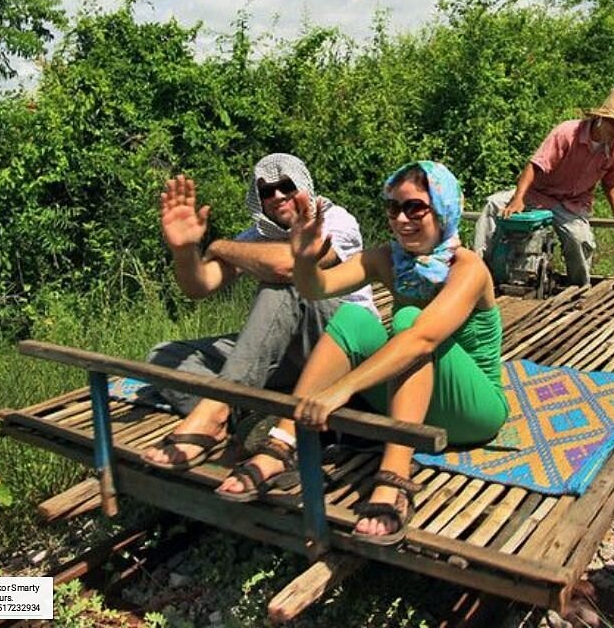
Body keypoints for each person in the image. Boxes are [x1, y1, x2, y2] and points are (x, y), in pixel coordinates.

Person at [217, 161, 508, 546]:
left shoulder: (467, 268)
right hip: (413, 402)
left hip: (473, 412)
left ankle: (394, 475)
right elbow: (317, 288)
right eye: (393, 208)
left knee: (407, 320)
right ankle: (282, 441)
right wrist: (304, 258)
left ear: (444, 208)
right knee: (354, 317)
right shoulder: (387, 258)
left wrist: (343, 388)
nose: (402, 219)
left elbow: (421, 339)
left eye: (415, 208)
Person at [140, 154, 376, 470]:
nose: (277, 196)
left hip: (341, 343)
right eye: (267, 191)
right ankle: (252, 419)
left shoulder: (333, 219)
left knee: (288, 283)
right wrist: (184, 252)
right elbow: (199, 286)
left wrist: (219, 246)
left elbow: (288, 267)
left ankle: (220, 406)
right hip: (290, 352)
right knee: (165, 357)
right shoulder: (256, 236)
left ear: (302, 185)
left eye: (286, 186)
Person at [472, 88, 614, 287]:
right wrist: (518, 198)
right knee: (493, 204)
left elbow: (611, 182)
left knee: (579, 239)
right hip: (538, 193)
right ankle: (477, 273)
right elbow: (535, 165)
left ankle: (579, 287)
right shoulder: (568, 132)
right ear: (601, 119)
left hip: (572, 203)